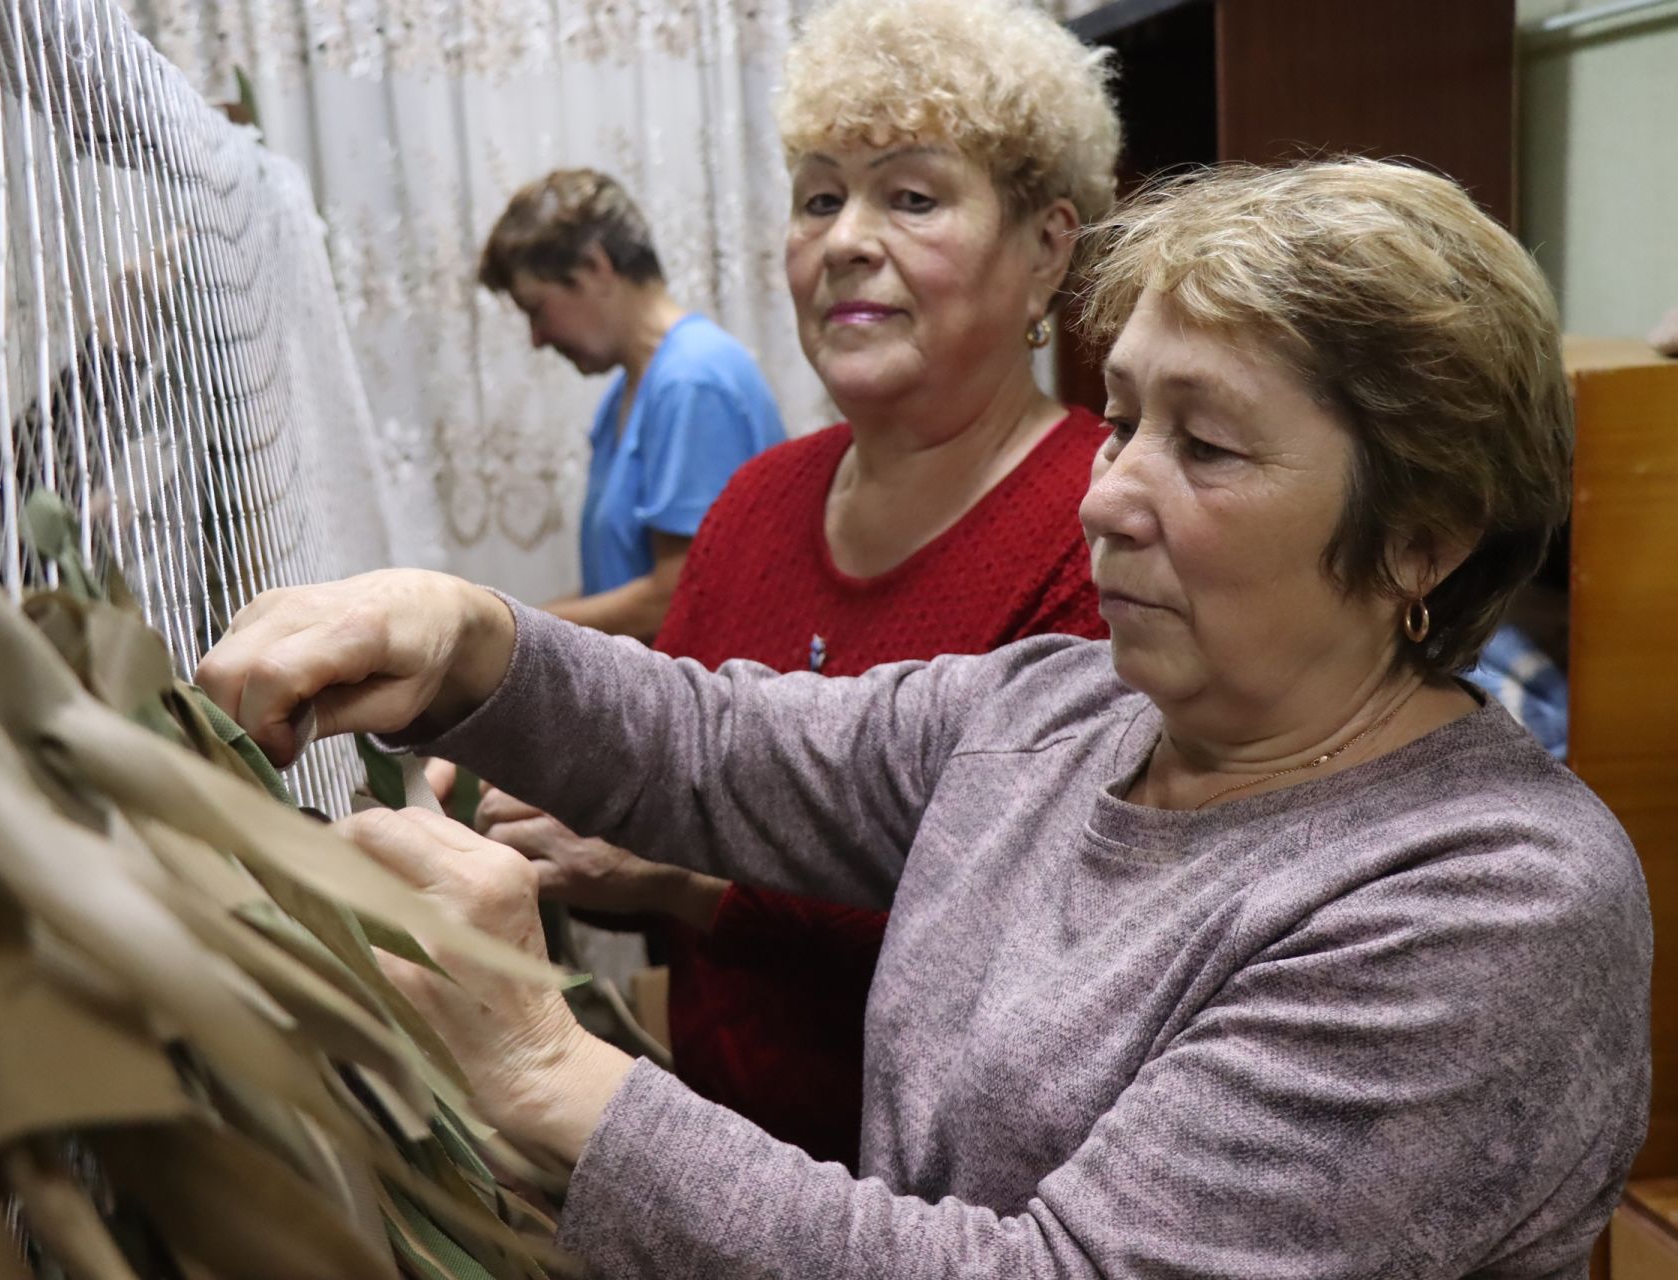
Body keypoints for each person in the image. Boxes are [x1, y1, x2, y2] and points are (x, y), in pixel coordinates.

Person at [199, 159, 1650, 1277]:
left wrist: (549, 1078)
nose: (1106, 493)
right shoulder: (1063, 708)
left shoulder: (1487, 908)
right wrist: (467, 642)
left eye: (1203, 446)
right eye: (1125, 417)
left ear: (1424, 540)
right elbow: (717, 748)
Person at [470, 0, 1121, 1168]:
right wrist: (548, 807)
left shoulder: (1103, 537)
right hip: (712, 1167)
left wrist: (684, 880)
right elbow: (652, 804)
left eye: (911, 197)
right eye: (820, 197)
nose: (845, 240)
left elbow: (1039, 961)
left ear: (1048, 247)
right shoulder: (755, 504)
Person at [478, 168, 785, 641]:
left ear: (595, 267)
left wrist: (503, 631)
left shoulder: (692, 382)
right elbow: (620, 585)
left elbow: (674, 598)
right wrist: (487, 621)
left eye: (537, 308)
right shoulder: (629, 393)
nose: (536, 339)